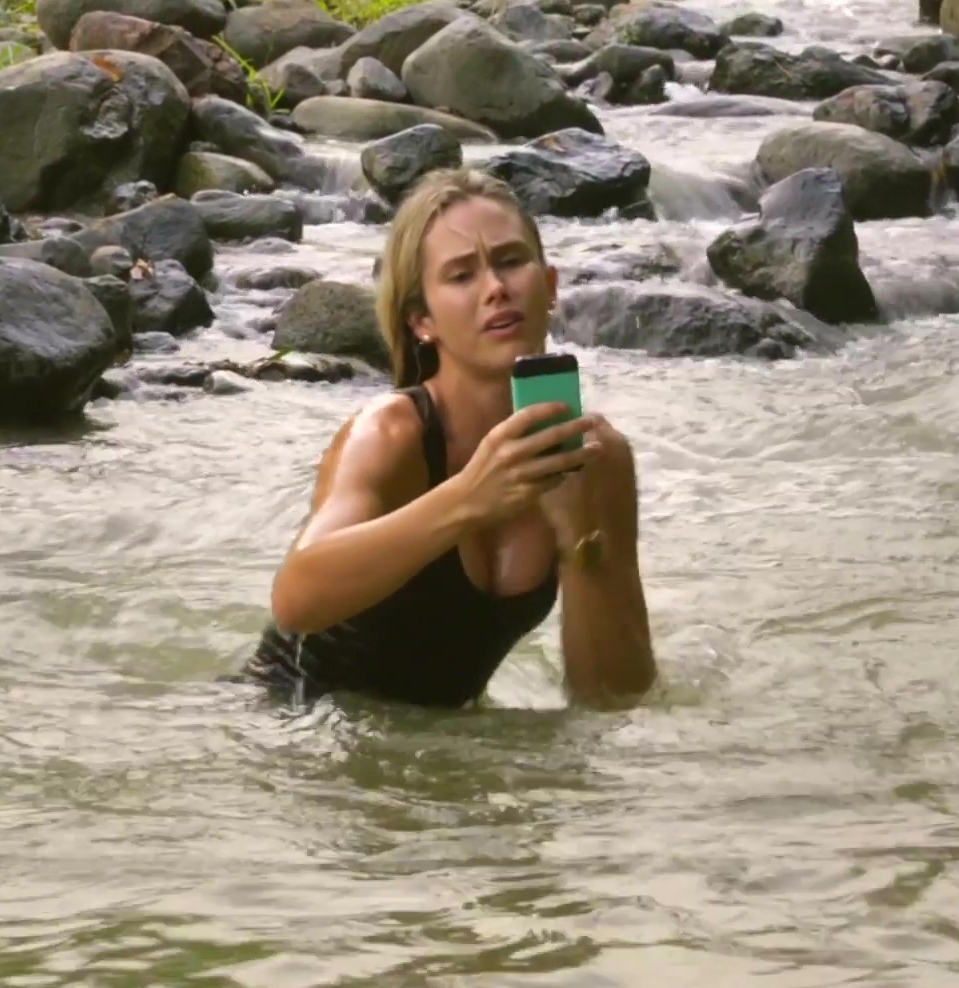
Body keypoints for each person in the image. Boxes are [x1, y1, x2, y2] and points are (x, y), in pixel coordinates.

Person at [243, 168, 657, 711]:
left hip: (437, 740)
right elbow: (294, 599)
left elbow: (614, 695)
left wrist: (581, 540)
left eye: (511, 261)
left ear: (550, 287)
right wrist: (468, 500)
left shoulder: (597, 458)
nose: (496, 288)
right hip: (292, 724)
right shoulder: (390, 434)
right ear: (422, 321)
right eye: (462, 275)